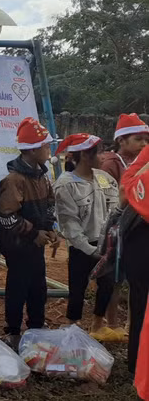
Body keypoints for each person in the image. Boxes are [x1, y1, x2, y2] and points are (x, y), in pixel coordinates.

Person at [0, 117, 60, 348]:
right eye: (45, 145)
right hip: (19, 247)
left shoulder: (42, 176)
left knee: (38, 287)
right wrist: (34, 234)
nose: (48, 149)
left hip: (35, 246)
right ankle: (12, 331)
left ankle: (36, 327)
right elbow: (7, 216)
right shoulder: (14, 180)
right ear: (32, 150)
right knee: (18, 287)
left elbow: (50, 204)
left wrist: (50, 228)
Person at [52, 133, 118, 338]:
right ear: (85, 156)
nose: (103, 156)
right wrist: (91, 250)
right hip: (82, 245)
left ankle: (98, 324)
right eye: (98, 152)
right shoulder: (65, 185)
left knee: (107, 283)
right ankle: (72, 325)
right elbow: (69, 224)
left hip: (105, 242)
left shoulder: (103, 178)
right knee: (77, 286)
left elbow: (115, 208)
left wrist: (111, 241)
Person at [100, 113, 149, 337]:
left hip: (135, 226)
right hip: (120, 224)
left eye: (145, 140)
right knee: (114, 276)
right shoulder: (110, 163)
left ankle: (130, 323)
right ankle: (111, 321)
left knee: (133, 282)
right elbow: (110, 195)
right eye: (138, 139)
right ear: (122, 140)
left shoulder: (138, 161)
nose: (143, 144)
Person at [123, 144, 149, 373]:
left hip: (139, 235)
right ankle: (138, 364)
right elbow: (128, 187)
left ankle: (137, 364)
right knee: (141, 304)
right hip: (141, 237)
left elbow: (129, 186)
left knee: (140, 304)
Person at [101, 113, 149, 183]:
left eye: (147, 140)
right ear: (121, 141)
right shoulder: (109, 164)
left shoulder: (143, 160)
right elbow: (103, 191)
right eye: (138, 139)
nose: (144, 144)